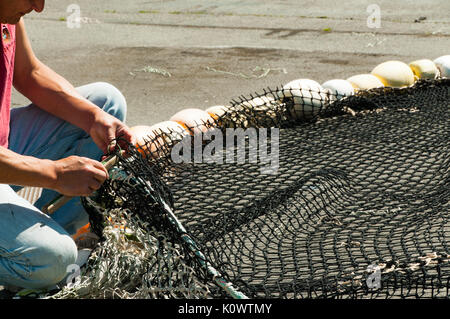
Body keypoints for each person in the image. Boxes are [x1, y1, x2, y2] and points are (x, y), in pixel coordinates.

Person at [0, 1, 136, 290]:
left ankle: (48, 232)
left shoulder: (6, 12)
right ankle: (36, 254)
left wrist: (94, 118)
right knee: (51, 260)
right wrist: (55, 174)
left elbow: (29, 73)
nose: (38, 7)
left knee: (105, 102)